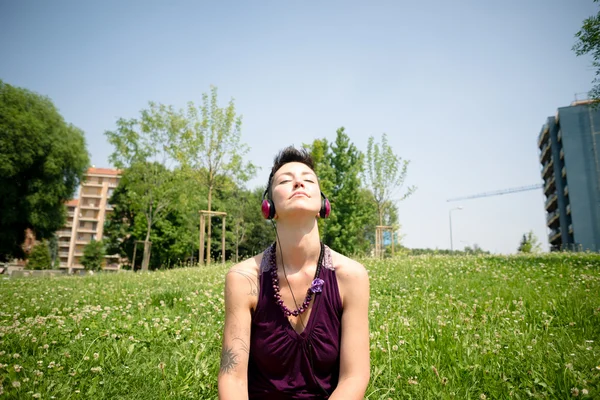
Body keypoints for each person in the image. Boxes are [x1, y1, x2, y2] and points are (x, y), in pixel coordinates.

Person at [217, 146, 370, 399]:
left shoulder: (351, 276)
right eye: (285, 180)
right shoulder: (243, 279)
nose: (299, 182)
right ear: (268, 206)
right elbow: (232, 377)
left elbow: (354, 377)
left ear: (323, 204)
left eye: (308, 179)